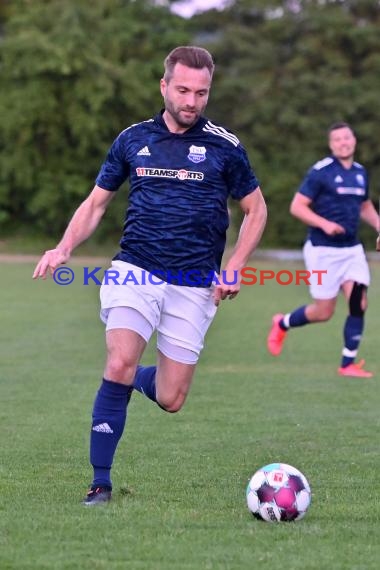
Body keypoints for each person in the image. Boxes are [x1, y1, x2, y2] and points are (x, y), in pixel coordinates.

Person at [33, 46, 267, 505]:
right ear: (164, 86)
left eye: (201, 92)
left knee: (171, 397)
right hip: (135, 269)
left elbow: (255, 209)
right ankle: (100, 482)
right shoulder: (133, 139)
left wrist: (234, 267)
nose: (192, 100)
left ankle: (135, 379)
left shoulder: (226, 146)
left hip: (196, 282)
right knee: (118, 360)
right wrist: (63, 247)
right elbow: (96, 203)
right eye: (182, 89)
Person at [267, 121, 379, 378]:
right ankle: (282, 323)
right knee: (323, 312)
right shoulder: (321, 172)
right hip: (322, 250)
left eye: (347, 138)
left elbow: (365, 207)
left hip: (352, 250)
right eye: (337, 139)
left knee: (358, 302)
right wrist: (324, 224)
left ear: (354, 141)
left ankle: (347, 363)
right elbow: (297, 206)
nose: (343, 142)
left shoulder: (361, 173)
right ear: (331, 145)